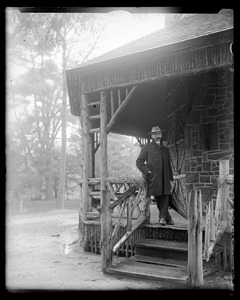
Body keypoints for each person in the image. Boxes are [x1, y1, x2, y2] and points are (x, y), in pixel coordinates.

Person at [136, 126, 174, 225]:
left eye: (159, 133)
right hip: (154, 178)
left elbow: (168, 164)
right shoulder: (147, 147)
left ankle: (162, 218)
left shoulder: (165, 149)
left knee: (166, 196)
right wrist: (148, 171)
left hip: (165, 178)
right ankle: (167, 217)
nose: (158, 135)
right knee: (159, 197)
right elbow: (139, 162)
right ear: (152, 135)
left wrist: (171, 177)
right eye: (156, 133)